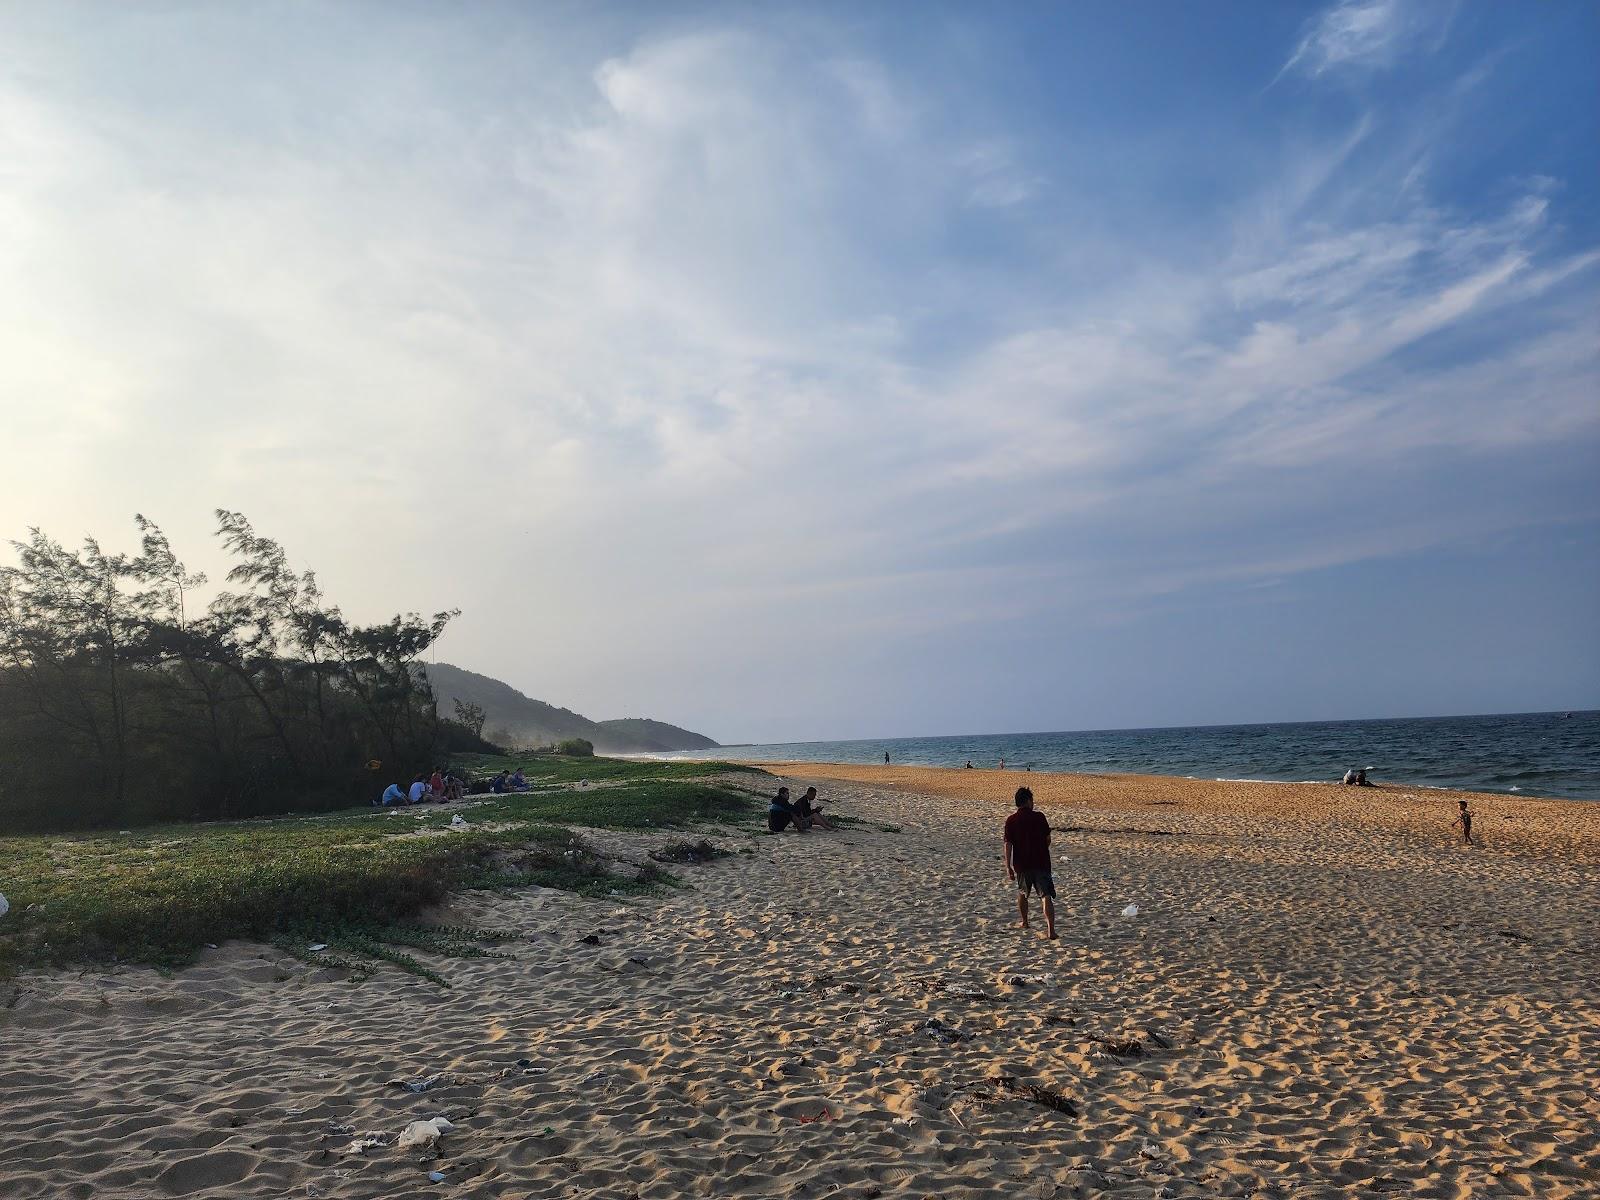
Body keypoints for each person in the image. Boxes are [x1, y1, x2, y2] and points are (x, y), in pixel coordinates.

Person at [1004, 786, 1056, 939]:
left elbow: (1008, 844)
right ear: (1028, 801)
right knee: (1045, 895)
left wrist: (1008, 866)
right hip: (1041, 862)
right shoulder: (1039, 817)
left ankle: (1025, 922)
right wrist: (1042, 848)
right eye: (1032, 800)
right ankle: (1051, 930)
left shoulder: (1011, 820)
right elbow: (1048, 839)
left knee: (1022, 893)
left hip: (1022, 864)